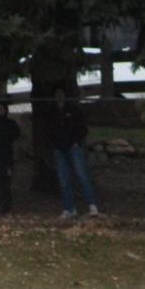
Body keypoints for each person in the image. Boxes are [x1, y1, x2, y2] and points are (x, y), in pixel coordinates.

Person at [52, 87, 99, 219]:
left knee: (82, 175)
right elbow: (50, 130)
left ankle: (92, 205)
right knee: (64, 180)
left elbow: (83, 129)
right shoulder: (53, 112)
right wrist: (55, 144)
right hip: (59, 149)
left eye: (61, 94)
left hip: (73, 148)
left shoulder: (74, 110)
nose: (59, 96)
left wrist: (76, 142)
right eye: (57, 94)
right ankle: (69, 208)